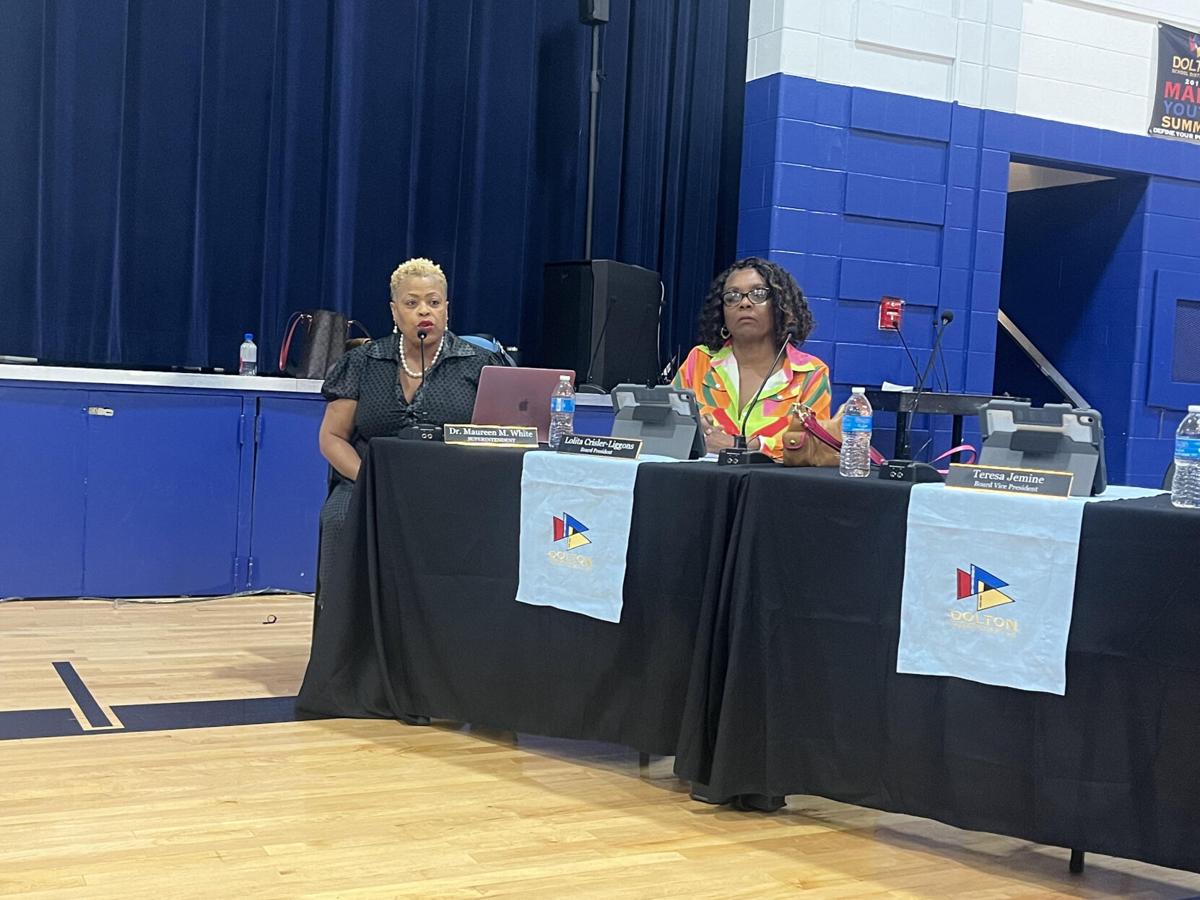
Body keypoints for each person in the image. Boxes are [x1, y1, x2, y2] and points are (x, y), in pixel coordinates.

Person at [315, 257, 498, 610]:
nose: (423, 311)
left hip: (451, 485)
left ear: (447, 309)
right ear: (394, 311)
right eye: (411, 303)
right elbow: (333, 437)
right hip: (368, 483)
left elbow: (503, 434)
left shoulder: (480, 364)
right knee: (339, 517)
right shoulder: (364, 362)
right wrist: (370, 480)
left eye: (433, 302)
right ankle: (343, 634)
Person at [674, 257, 831, 459]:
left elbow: (814, 445)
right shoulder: (700, 360)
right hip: (702, 483)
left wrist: (742, 444)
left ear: (781, 306)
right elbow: (670, 425)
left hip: (771, 486)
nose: (744, 303)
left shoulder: (810, 373)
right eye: (732, 296)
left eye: (758, 294)